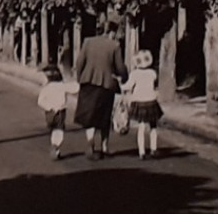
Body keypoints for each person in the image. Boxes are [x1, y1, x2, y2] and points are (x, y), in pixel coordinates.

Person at [73, 16, 127, 159]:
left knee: (89, 116)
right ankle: (104, 146)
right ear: (111, 32)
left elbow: (79, 63)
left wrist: (80, 79)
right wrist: (124, 77)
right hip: (106, 85)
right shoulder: (114, 45)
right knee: (104, 116)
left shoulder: (88, 42)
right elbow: (120, 67)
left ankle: (90, 143)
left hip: (88, 83)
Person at [121, 49, 165, 159]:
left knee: (141, 126)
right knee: (153, 126)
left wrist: (120, 85)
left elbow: (128, 86)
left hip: (139, 101)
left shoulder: (134, 74)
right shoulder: (152, 73)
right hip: (151, 100)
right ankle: (153, 149)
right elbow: (155, 85)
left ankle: (142, 151)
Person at [36, 64, 77, 159]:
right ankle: (56, 146)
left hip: (50, 112)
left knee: (53, 129)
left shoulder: (46, 88)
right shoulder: (62, 86)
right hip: (60, 111)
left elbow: (40, 101)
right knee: (59, 130)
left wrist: (49, 107)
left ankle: (54, 146)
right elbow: (74, 88)